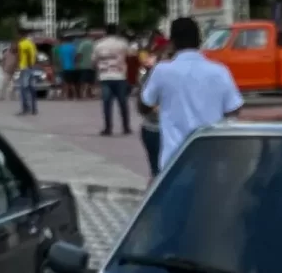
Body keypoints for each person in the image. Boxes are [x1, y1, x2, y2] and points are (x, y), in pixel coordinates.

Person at [138, 17, 242, 166]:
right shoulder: (220, 71)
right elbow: (234, 109)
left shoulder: (162, 71)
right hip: (211, 157)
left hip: (174, 159)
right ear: (200, 41)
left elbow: (144, 105)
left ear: (172, 42)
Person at [93, 24, 134, 135]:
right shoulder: (122, 43)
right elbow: (131, 55)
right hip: (120, 76)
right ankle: (126, 127)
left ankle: (108, 128)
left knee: (107, 103)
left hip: (105, 76)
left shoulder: (98, 44)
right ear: (116, 32)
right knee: (123, 103)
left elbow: (94, 61)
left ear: (105, 32)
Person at [54, 32, 81, 103]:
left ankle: (66, 96)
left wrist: (61, 66)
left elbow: (60, 59)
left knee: (66, 83)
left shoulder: (62, 48)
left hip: (65, 67)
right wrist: (76, 64)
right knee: (72, 83)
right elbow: (76, 57)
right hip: (73, 67)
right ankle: (75, 96)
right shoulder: (73, 47)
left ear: (64, 40)